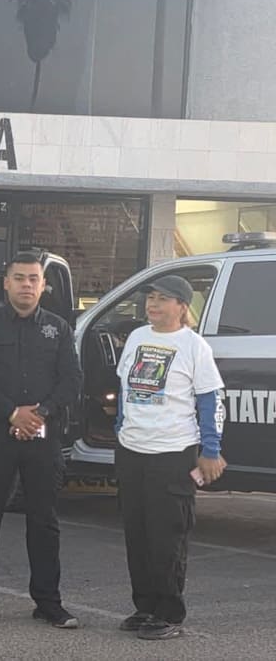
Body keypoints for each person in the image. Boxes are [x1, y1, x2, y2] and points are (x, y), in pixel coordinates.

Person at [0, 252, 82, 629]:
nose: (27, 284)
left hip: (43, 437)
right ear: (5, 282)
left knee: (44, 523)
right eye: (20, 278)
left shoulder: (58, 328)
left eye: (33, 279)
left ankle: (48, 603)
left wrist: (39, 413)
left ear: (43, 286)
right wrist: (12, 413)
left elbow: (71, 381)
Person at [114, 275, 225, 641]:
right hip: (133, 451)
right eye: (150, 298)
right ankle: (143, 606)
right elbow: (125, 387)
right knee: (138, 533)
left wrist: (210, 449)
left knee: (167, 537)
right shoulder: (137, 337)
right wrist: (121, 427)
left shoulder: (194, 347)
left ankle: (168, 612)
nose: (153, 305)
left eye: (162, 299)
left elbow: (210, 399)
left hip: (173, 453)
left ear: (181, 306)